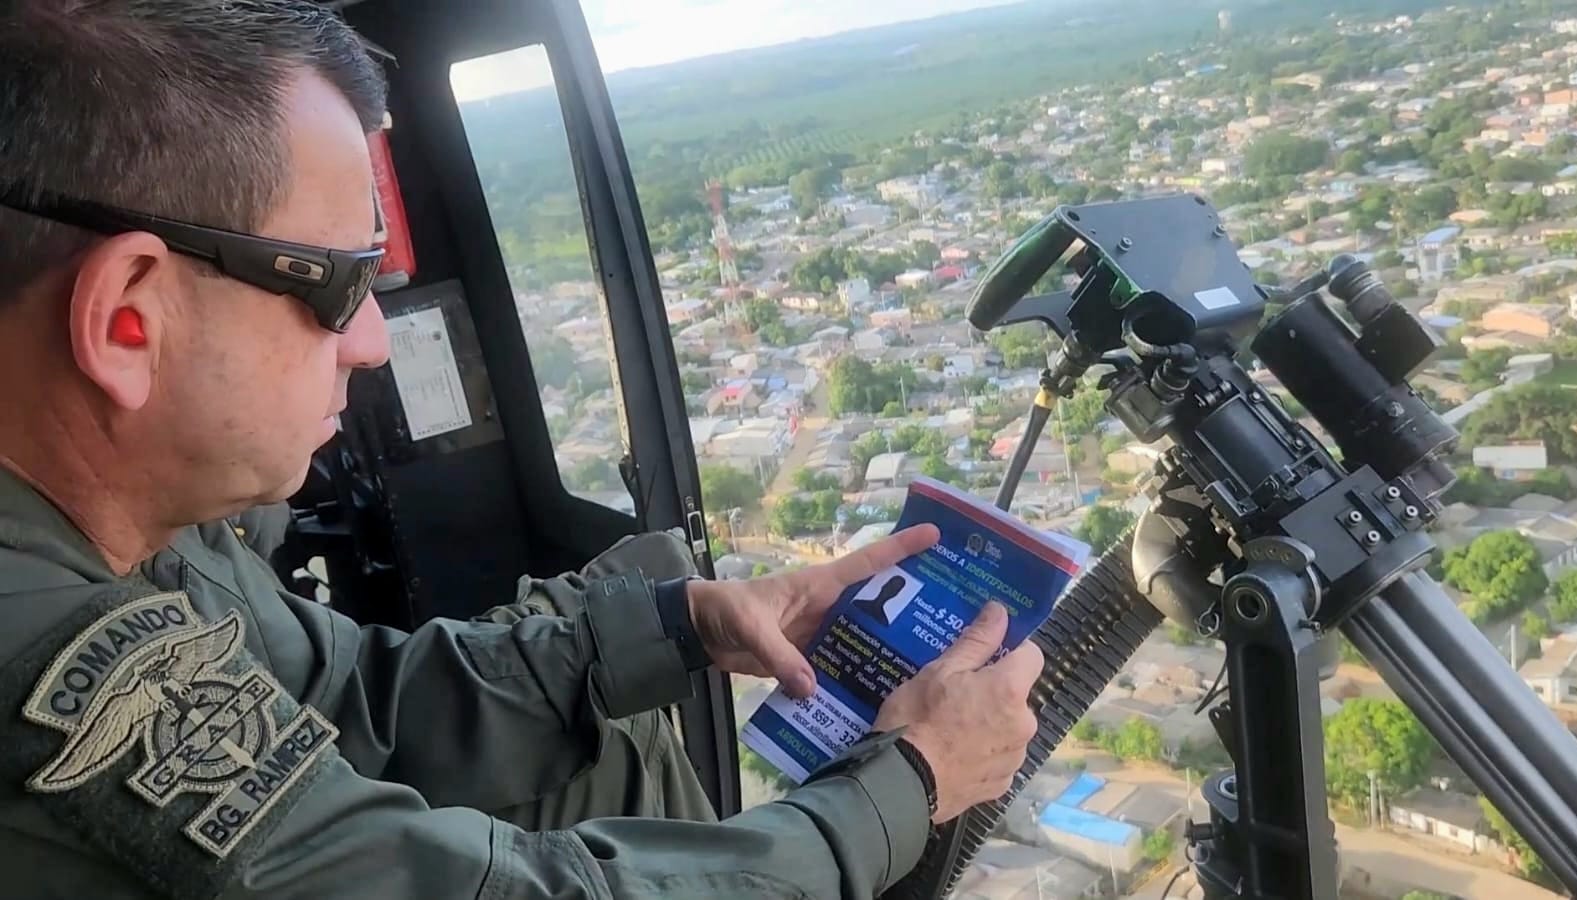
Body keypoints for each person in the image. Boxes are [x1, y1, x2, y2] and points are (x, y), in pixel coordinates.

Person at [0, 3, 1046, 898]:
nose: (370, 346)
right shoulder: (47, 662)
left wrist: (674, 627)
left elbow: (360, 703)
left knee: (606, 743)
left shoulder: (144, 522)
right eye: (336, 286)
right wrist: (910, 779)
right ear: (128, 322)